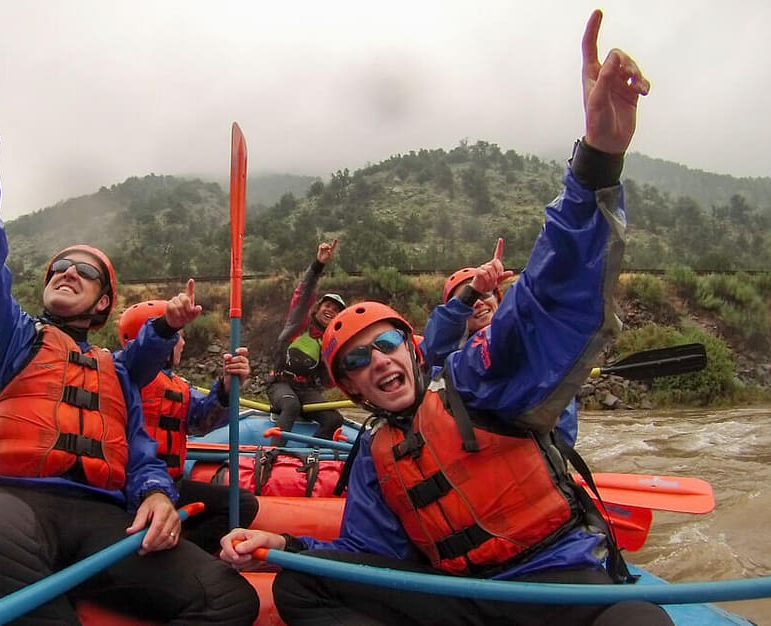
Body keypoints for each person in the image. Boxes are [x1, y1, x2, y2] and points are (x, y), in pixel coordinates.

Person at [221, 10, 671, 625]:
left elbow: (548, 295)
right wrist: (291, 548)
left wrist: (597, 160)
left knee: (639, 623)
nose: (376, 360)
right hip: (465, 596)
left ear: (410, 351)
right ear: (348, 386)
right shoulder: (376, 456)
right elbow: (363, 556)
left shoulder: (477, 381)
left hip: (552, 578)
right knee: (305, 585)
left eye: (384, 345)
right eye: (356, 359)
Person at [0, 24, 257, 625]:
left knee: (229, 598)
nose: (66, 271)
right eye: (58, 266)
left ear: (100, 305)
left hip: (102, 516)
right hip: (11, 505)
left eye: (83, 271)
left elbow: (139, 454)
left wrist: (159, 494)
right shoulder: (9, 339)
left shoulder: (117, 372)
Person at [117, 300, 260, 553]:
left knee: (242, 503)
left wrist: (227, 388)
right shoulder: (120, 374)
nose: (182, 343)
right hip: (130, 488)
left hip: (173, 483)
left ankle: (189, 553)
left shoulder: (177, 385)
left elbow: (201, 421)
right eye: (179, 336)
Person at [423, 240, 579, 446]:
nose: (478, 302)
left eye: (484, 294)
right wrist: (472, 291)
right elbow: (435, 346)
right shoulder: (448, 358)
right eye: (469, 299)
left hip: (532, 456)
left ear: (499, 301)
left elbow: (562, 421)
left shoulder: (533, 347)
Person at [266, 239, 347, 446]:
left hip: (307, 391)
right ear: (318, 309)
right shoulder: (298, 324)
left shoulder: (330, 343)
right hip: (281, 384)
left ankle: (308, 458)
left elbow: (331, 380)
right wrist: (318, 264)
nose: (331, 310)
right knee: (291, 407)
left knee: (335, 419)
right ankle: (271, 455)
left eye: (336, 310)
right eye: (327, 306)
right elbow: (303, 294)